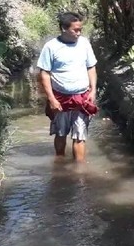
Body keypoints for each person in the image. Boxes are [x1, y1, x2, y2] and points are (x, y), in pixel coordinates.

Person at [37, 12, 98, 162]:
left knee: (80, 135)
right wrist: (51, 99)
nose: (79, 33)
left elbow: (91, 67)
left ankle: (80, 172)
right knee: (61, 133)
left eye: (80, 29)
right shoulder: (51, 47)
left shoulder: (84, 43)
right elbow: (44, 74)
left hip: (82, 96)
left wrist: (93, 90)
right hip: (60, 97)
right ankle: (59, 163)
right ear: (64, 28)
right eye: (75, 30)